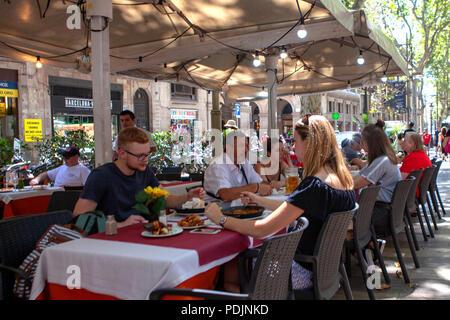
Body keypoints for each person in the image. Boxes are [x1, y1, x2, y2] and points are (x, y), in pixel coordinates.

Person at [205, 115, 355, 292]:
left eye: (296, 141)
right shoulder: (343, 181)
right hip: (323, 270)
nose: (292, 146)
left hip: (298, 273)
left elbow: (261, 229)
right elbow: (294, 208)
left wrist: (220, 219)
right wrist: (258, 199)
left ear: (309, 143)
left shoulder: (314, 186)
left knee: (236, 260)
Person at [73, 127, 205, 228]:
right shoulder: (101, 176)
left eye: (147, 155)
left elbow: (164, 198)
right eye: (140, 156)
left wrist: (187, 197)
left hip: (141, 234)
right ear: (122, 153)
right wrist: (120, 225)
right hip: (110, 242)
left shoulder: (143, 171)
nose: (145, 160)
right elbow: (80, 219)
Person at [353, 120, 402, 236]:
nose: (361, 144)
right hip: (384, 211)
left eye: (362, 141)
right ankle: (362, 248)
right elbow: (362, 175)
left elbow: (356, 184)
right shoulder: (384, 159)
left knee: (336, 220)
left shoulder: (382, 161)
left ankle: (361, 247)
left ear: (369, 143)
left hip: (379, 214)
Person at [203, 131, 272, 205]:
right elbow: (225, 195)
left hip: (241, 211)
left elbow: (261, 184)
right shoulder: (218, 166)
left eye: (247, 146)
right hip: (217, 212)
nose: (246, 150)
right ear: (228, 147)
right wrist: (255, 187)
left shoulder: (244, 163)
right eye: (241, 146)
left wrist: (266, 186)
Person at [399, 132, 432, 198]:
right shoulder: (423, 155)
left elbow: (400, 178)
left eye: (405, 141)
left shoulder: (412, 158)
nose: (403, 143)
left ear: (412, 144)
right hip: (418, 191)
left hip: (409, 193)